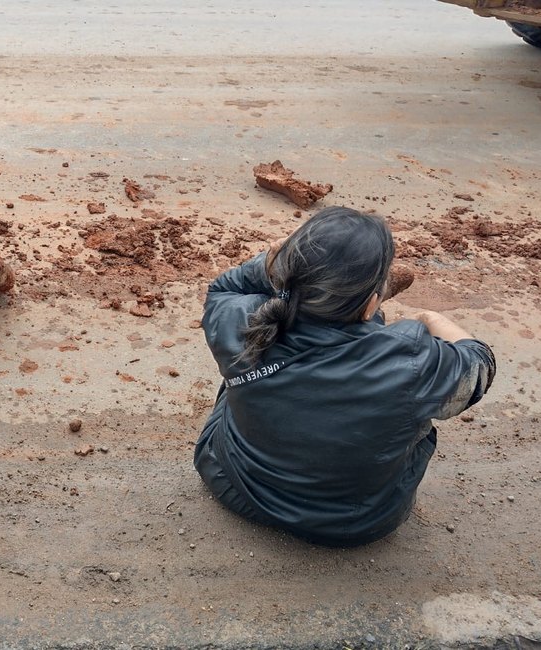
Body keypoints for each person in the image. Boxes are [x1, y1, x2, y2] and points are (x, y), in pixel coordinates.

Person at [194, 206, 496, 547]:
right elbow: (479, 365)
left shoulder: (235, 317)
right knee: (413, 397)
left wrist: (270, 265)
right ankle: (363, 319)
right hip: (354, 524)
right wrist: (428, 319)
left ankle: (327, 302)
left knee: (247, 360)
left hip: (230, 483)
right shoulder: (412, 358)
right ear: (370, 302)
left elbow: (223, 288)